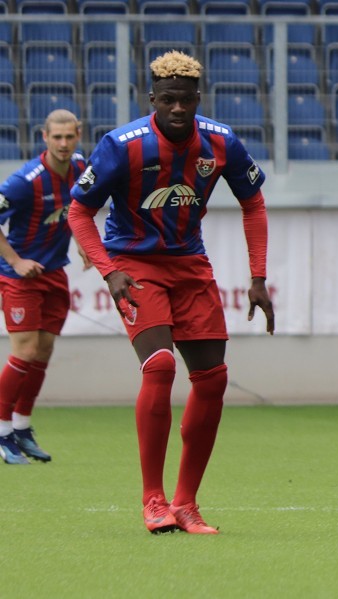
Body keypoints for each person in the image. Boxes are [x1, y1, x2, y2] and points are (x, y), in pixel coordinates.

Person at [68, 51, 275, 534]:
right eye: (168, 100)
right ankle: (153, 500)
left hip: (190, 265)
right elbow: (79, 211)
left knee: (213, 380)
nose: (178, 108)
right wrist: (108, 271)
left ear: (197, 99)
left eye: (186, 99)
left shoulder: (221, 141)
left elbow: (254, 203)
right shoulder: (122, 145)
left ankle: (186, 503)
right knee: (160, 366)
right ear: (152, 100)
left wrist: (258, 277)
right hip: (134, 264)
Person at [0, 109, 91, 465]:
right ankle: (2, 432)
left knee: (43, 352)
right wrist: (16, 261)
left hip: (53, 272)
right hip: (19, 277)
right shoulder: (25, 181)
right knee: (24, 351)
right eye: (57, 137)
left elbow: (78, 209)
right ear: (44, 137)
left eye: (69, 136)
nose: (63, 143)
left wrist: (82, 243)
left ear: (78, 134)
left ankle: (22, 427)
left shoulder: (81, 167)